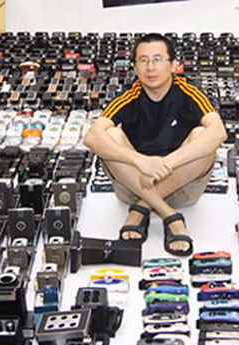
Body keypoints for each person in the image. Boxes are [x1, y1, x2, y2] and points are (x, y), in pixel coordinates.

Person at [84, 33, 227, 256]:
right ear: (135, 68)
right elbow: (92, 137)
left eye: (158, 59)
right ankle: (169, 214)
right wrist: (141, 161)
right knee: (110, 135)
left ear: (173, 65)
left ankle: (141, 208)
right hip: (134, 184)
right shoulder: (130, 94)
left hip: (180, 186)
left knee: (203, 135)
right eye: (143, 60)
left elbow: (219, 132)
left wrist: (166, 164)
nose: (151, 67)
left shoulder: (188, 91)